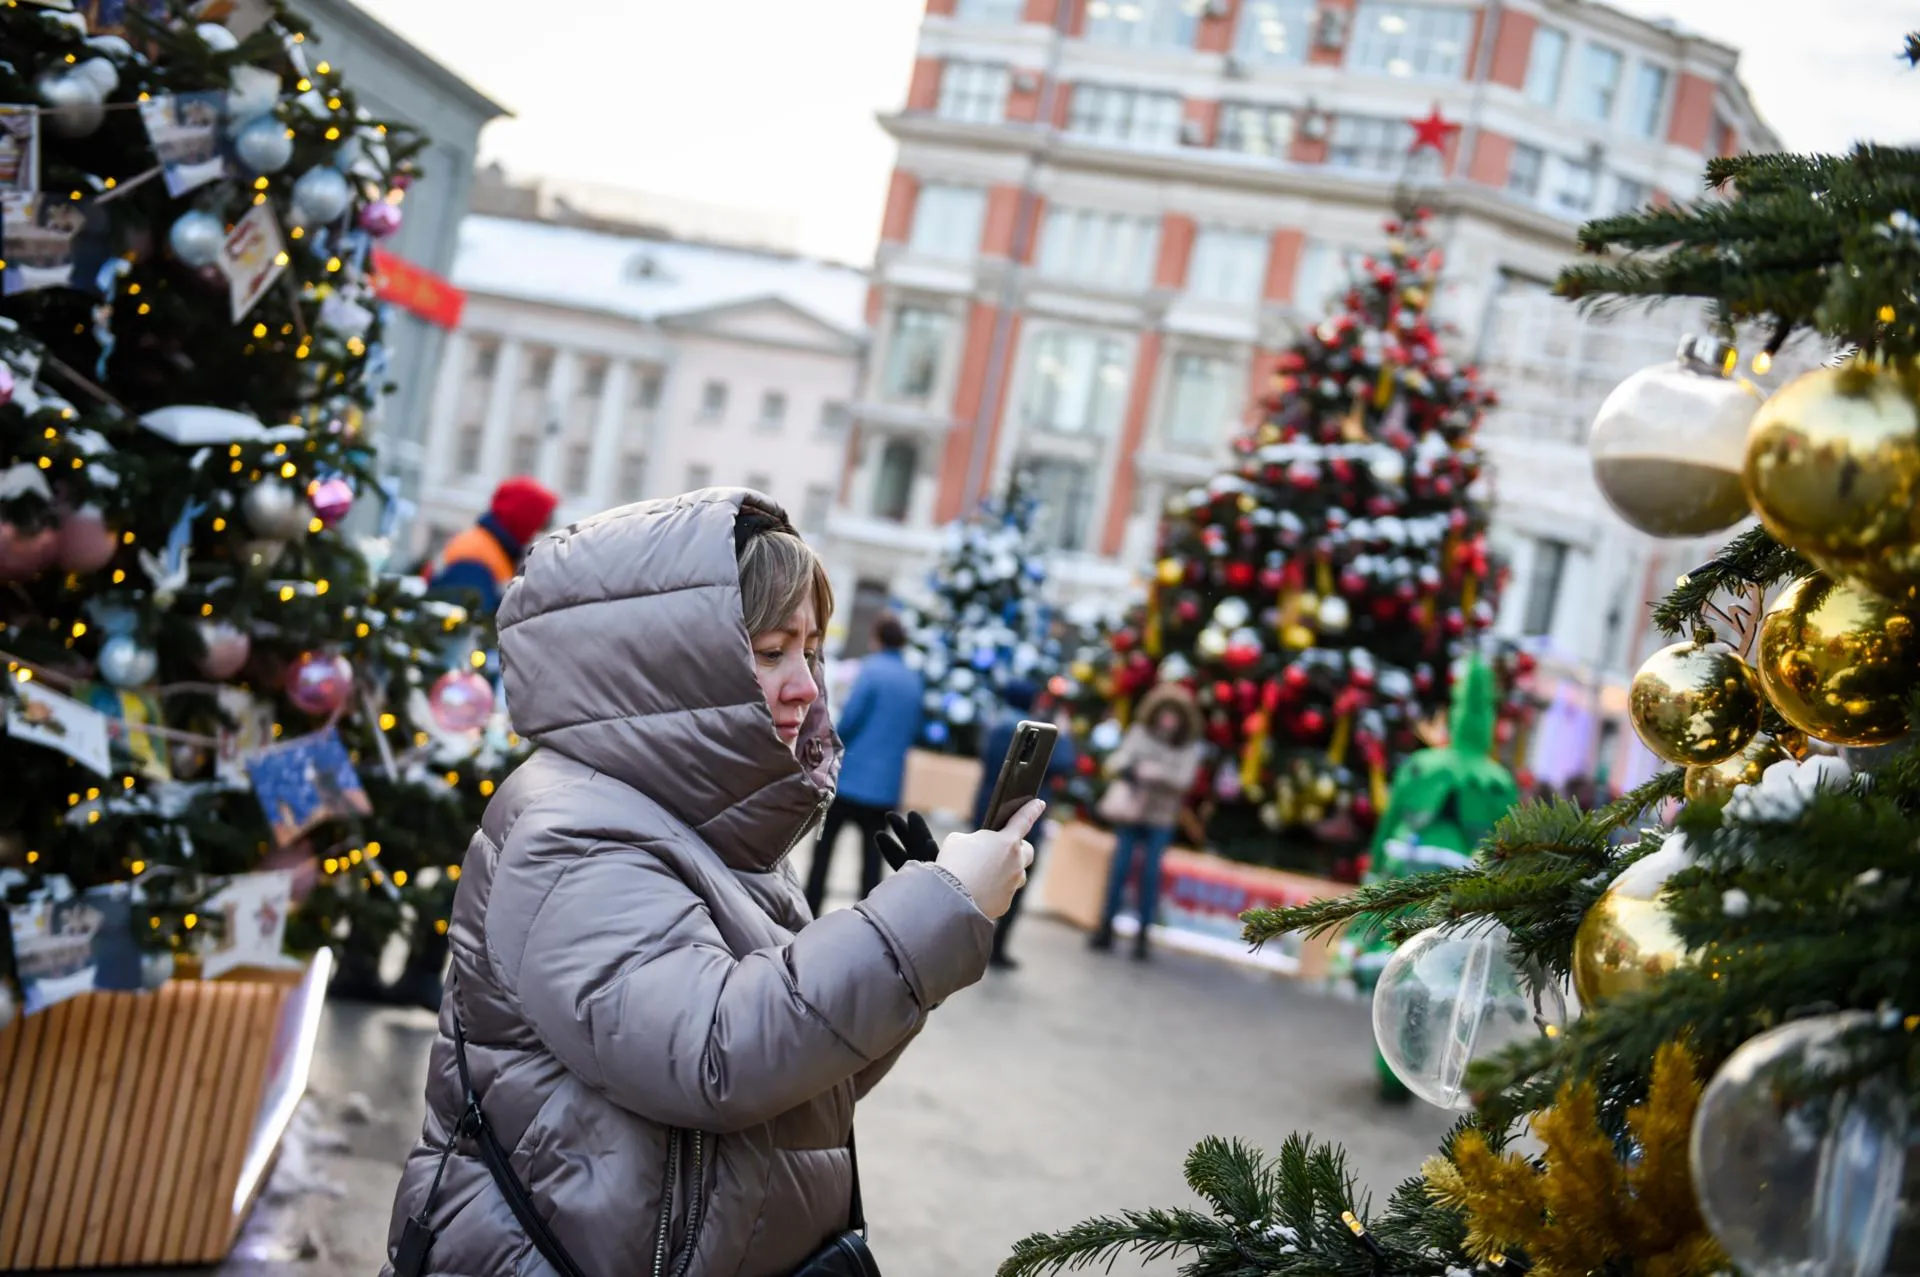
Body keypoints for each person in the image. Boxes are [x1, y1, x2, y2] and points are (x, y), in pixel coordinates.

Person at [382, 490, 1042, 1277]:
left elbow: (808, 1080)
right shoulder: (572, 831)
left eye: (812, 649)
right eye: (770, 652)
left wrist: (918, 942)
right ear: (673, 668)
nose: (807, 685)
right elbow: (715, 1053)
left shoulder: (718, 829)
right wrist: (917, 924)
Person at [1353, 655, 1518, 1102]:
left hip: (1413, 883)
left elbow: (1389, 826)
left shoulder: (1426, 768)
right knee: (1433, 976)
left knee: (1401, 968)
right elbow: (1506, 851)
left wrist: (1371, 876)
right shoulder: (1496, 781)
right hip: (1455, 893)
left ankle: (1395, 1066)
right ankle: (1405, 1063)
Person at [803, 612, 923, 915]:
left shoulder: (870, 672)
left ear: (877, 638)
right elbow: (913, 730)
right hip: (885, 787)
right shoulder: (913, 680)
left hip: (851, 779)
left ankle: (809, 908)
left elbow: (851, 721)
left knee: (824, 851)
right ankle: (869, 918)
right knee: (872, 858)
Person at [969, 679, 1078, 969]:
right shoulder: (1031, 732)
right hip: (1023, 818)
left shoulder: (994, 723)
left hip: (988, 810)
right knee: (1015, 881)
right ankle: (996, 946)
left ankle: (967, 941)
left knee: (977, 876)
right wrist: (1064, 733)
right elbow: (1065, 762)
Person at [1090, 684, 1204, 960]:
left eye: (1174, 715)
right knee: (1119, 870)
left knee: (1151, 876)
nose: (1168, 720)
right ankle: (1105, 927)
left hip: (1161, 818)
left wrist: (1158, 774)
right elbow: (1118, 761)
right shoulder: (1140, 734)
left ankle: (1143, 936)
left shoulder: (1188, 746)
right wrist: (1133, 770)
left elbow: (1185, 780)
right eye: (1164, 713)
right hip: (1131, 813)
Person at [421, 474, 560, 614]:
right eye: (540, 524)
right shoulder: (476, 557)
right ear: (524, 520)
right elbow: (468, 626)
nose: (538, 534)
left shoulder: (489, 547)